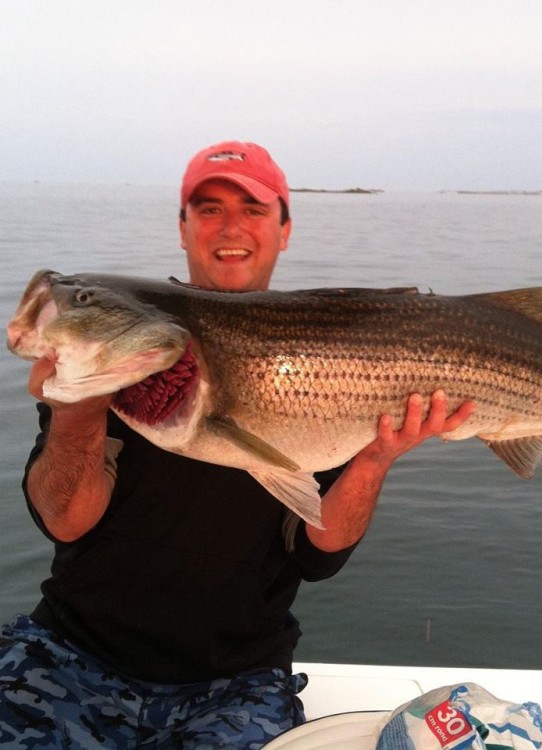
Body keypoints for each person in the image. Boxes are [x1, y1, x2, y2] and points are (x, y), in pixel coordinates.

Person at [0, 141, 474, 748]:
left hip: (238, 682)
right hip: (71, 655)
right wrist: (76, 410)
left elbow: (317, 556)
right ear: (182, 227)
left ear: (284, 230)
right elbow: (66, 521)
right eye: (209, 209)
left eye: (252, 209)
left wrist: (376, 456)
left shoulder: (335, 346)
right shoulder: (120, 345)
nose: (230, 227)